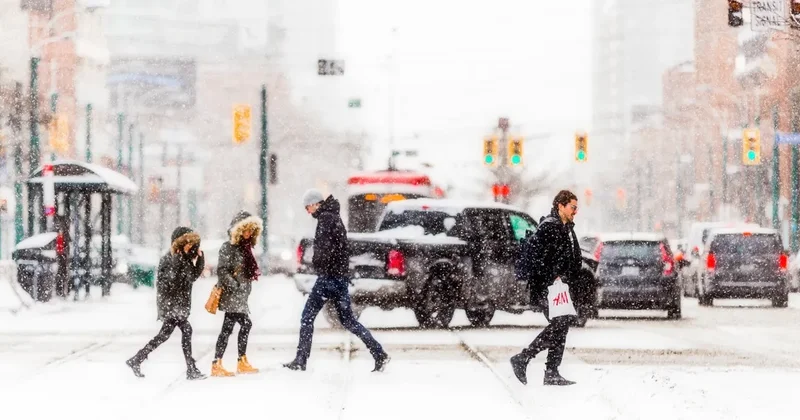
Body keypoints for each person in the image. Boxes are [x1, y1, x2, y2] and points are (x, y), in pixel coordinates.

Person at [284, 189, 390, 372]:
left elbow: (325, 249)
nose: (308, 211)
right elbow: (339, 248)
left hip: (328, 278)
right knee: (349, 321)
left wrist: (318, 262)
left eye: (308, 207)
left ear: (316, 203)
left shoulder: (325, 219)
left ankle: (301, 360)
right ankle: (378, 353)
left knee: (307, 318)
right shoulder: (334, 216)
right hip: (339, 278)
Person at [510, 190, 581, 386]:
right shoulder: (550, 227)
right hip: (547, 287)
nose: (575, 211)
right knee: (560, 324)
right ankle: (524, 358)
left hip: (558, 287)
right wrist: (553, 276)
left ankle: (551, 371)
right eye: (573, 207)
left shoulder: (565, 227)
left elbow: (568, 258)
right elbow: (539, 259)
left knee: (561, 325)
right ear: (560, 206)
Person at [126, 227, 206, 380]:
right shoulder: (169, 258)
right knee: (185, 330)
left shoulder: (184, 258)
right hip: (171, 305)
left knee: (164, 335)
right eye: (187, 242)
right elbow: (170, 282)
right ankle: (191, 369)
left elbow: (192, 277)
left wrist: (200, 258)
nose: (190, 245)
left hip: (178, 305)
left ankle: (136, 359)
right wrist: (179, 261)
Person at [210, 210, 262, 377]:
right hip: (232, 295)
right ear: (238, 230)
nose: (248, 233)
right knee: (242, 325)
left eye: (251, 230)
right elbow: (222, 271)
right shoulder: (228, 247)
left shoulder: (245, 248)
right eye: (245, 229)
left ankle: (227, 362)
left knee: (230, 328)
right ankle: (229, 362)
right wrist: (236, 286)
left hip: (240, 296)